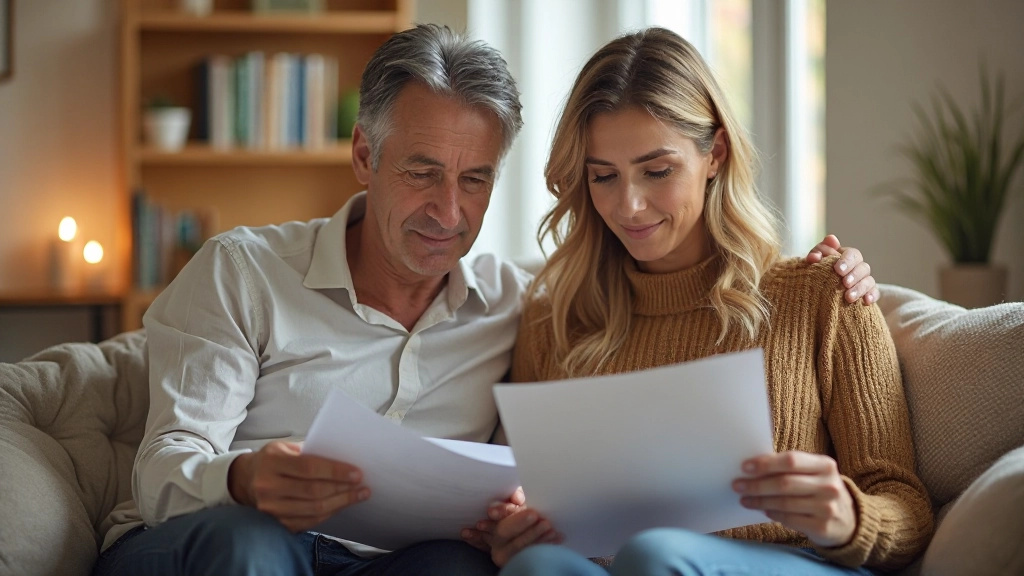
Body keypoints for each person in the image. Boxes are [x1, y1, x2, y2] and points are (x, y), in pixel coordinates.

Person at [92, 24, 879, 576]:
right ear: (364, 155)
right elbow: (162, 471)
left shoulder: (514, 302)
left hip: (398, 560)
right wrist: (242, 479)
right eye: (422, 172)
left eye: (475, 180)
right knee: (250, 546)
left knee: (459, 568)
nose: (449, 211)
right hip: (218, 540)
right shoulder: (243, 270)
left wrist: (515, 520)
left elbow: (535, 479)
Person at [473, 27, 932, 576]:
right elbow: (521, 497)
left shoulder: (824, 295)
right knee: (537, 567)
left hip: (790, 562)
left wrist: (848, 518)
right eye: (604, 177)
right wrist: (512, 533)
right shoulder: (554, 320)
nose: (629, 205)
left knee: (657, 554)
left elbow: (905, 505)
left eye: (657, 171)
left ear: (714, 153)